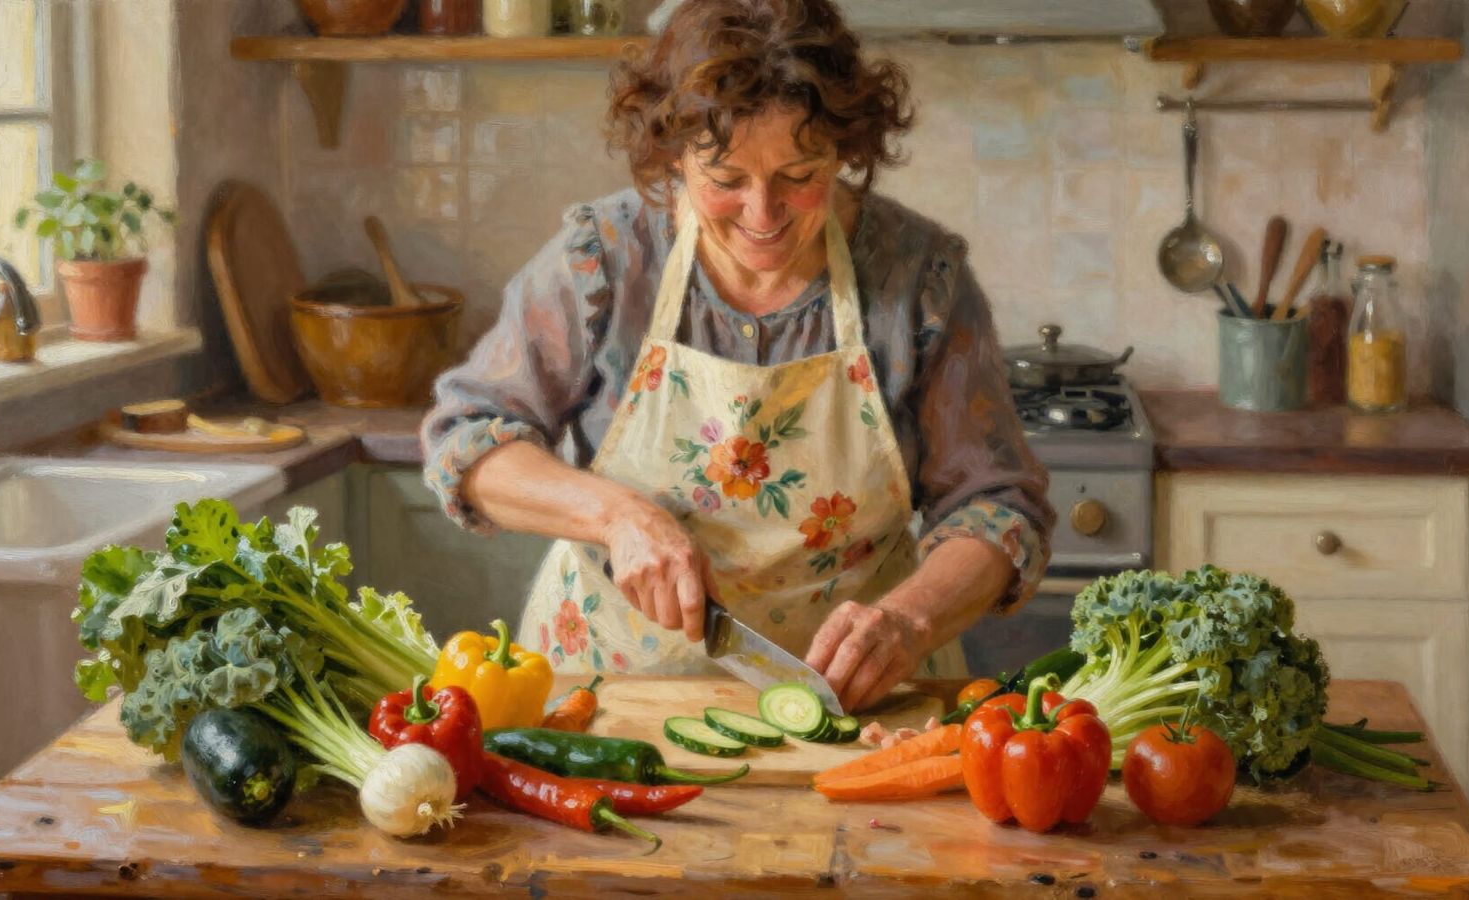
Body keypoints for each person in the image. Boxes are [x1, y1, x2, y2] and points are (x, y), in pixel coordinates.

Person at [421, 0, 1053, 712]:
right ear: (672, 154)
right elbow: (470, 443)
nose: (763, 213)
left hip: (858, 704)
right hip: (608, 696)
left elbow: (998, 509)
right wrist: (616, 517)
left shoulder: (919, 280)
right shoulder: (605, 260)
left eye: (799, 172)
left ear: (845, 148)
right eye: (725, 180)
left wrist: (909, 619)